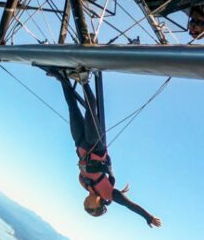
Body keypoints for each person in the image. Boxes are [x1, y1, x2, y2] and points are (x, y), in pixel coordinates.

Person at [45, 67, 161, 228]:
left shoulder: (83, 184)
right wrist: (147, 217)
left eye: (85, 206)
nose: (85, 203)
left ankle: (62, 78)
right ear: (98, 205)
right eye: (88, 207)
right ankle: (84, 80)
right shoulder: (109, 193)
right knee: (91, 111)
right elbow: (130, 205)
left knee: (73, 109)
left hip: (81, 145)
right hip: (96, 147)